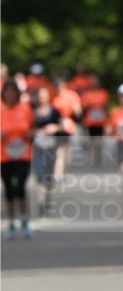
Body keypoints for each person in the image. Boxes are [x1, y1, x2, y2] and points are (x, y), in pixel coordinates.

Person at [1, 79, 34, 238]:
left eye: (13, 92)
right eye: (8, 92)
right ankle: (11, 223)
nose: (10, 95)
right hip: (4, 155)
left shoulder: (25, 109)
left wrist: (30, 134)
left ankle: (24, 220)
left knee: (20, 186)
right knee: (8, 190)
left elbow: (33, 127)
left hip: (23, 153)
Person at [31, 86, 63, 218]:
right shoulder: (31, 112)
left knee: (48, 178)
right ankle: (41, 203)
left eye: (44, 95)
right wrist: (34, 132)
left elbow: (63, 127)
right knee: (39, 176)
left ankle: (47, 199)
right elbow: (26, 128)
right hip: (37, 147)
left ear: (48, 96)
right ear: (37, 97)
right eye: (40, 95)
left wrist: (55, 127)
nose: (42, 98)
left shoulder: (55, 112)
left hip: (51, 147)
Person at [52, 75, 82, 183]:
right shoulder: (55, 97)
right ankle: (58, 174)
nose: (58, 89)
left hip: (69, 124)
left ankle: (62, 171)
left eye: (60, 86)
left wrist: (73, 115)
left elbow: (78, 110)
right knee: (59, 150)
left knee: (66, 151)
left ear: (64, 85)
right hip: (58, 125)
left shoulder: (71, 95)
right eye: (56, 87)